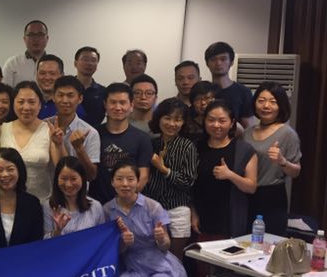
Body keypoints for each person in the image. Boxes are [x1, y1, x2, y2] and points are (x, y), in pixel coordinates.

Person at [191, 100, 258, 240]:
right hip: (200, 217)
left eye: (222, 121)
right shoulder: (195, 147)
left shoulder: (244, 150)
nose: (216, 125)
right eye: (211, 120)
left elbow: (251, 187)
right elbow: (190, 186)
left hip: (230, 219)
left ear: (232, 123)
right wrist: (193, 212)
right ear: (204, 121)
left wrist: (230, 175)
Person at [242, 82, 301, 236]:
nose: (266, 106)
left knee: (270, 243)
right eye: (261, 101)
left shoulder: (287, 133)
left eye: (273, 102)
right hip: (245, 194)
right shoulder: (247, 133)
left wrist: (282, 161)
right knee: (244, 242)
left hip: (272, 197)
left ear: (281, 106)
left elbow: (296, 172)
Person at [143, 98, 198, 261]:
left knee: (175, 258)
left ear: (183, 122)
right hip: (152, 207)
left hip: (177, 208)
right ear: (159, 118)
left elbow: (188, 182)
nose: (172, 124)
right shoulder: (150, 143)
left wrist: (164, 169)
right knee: (153, 254)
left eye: (178, 119)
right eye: (167, 118)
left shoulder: (188, 146)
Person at [0, 81, 56, 236]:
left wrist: (58, 143)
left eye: (32, 102)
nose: (26, 107)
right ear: (13, 103)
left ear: (40, 105)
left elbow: (60, 168)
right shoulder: (2, 129)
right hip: (7, 205)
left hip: (41, 203)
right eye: (21, 102)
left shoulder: (49, 130)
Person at [89, 83, 153, 204]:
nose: (118, 107)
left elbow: (143, 177)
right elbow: (89, 173)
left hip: (129, 205)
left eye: (123, 103)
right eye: (113, 102)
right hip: (97, 205)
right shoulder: (93, 134)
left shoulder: (142, 138)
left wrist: (122, 203)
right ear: (105, 105)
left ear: (131, 106)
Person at [47, 76, 99, 182]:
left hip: (77, 190)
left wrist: (80, 149)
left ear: (80, 99)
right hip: (47, 189)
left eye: (70, 96)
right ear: (53, 97)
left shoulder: (90, 132)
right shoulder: (44, 126)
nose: (65, 100)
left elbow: (91, 176)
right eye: (60, 95)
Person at [48, 156, 105, 237]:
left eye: (73, 179)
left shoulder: (95, 206)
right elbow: (43, 242)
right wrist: (57, 231)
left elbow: (102, 237)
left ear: (82, 179)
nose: (68, 185)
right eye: (63, 179)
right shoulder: (49, 206)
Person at [204, 41, 254, 129]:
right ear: (207, 63)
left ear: (231, 62)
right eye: (213, 59)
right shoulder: (203, 91)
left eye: (223, 59)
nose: (218, 63)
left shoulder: (244, 92)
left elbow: (248, 128)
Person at [2, 20, 49, 86]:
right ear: (24, 39)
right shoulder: (12, 64)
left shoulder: (55, 64)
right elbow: (5, 90)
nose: (36, 39)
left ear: (47, 38)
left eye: (40, 34)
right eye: (31, 35)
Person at [74, 46, 106, 127]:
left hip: (95, 132)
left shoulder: (103, 92)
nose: (89, 63)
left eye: (93, 60)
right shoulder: (67, 88)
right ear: (75, 63)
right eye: (85, 59)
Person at [183, 81, 218, 145]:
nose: (203, 103)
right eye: (198, 99)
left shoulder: (221, 121)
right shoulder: (187, 123)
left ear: (214, 99)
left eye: (207, 98)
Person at [35, 54, 64, 119]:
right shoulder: (29, 102)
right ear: (36, 75)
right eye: (42, 73)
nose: (47, 77)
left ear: (62, 76)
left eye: (52, 73)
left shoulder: (70, 105)